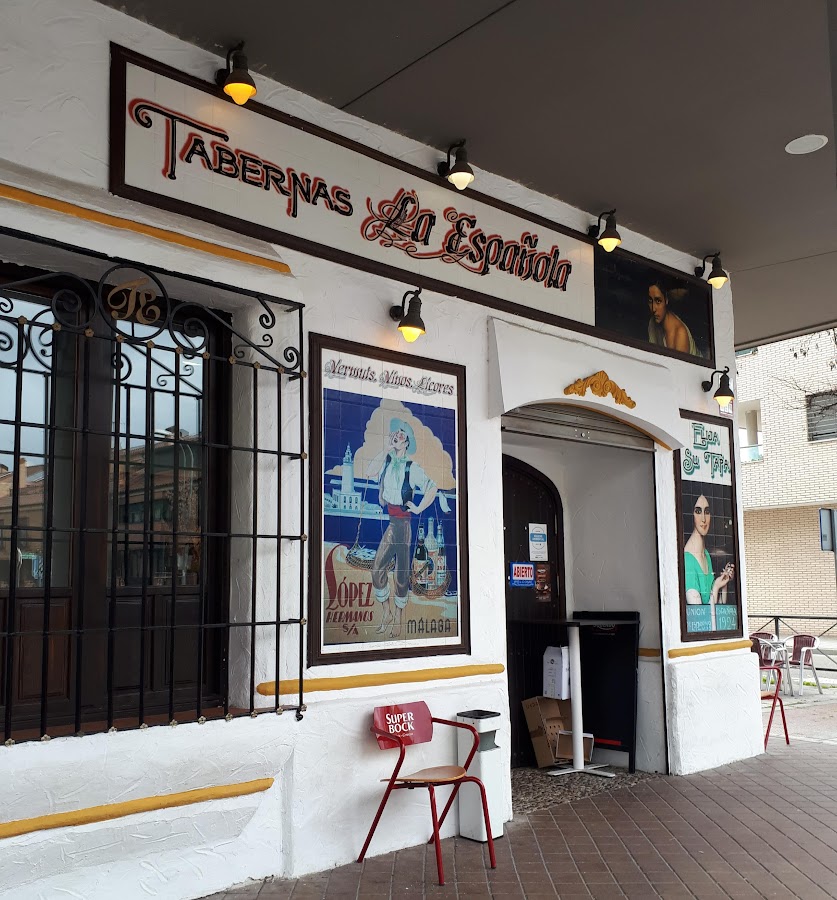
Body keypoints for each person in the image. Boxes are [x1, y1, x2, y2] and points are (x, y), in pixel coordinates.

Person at [366, 417, 438, 638]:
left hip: (404, 524)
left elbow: (432, 487)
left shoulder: (411, 467)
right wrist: (385, 449)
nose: (397, 436)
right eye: (395, 434)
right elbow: (370, 471)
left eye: (401, 435)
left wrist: (417, 509)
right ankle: (386, 613)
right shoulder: (387, 462)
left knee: (401, 574)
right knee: (377, 568)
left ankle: (397, 618)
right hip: (391, 523)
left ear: (407, 443)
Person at [684, 494, 734, 624]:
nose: (703, 519)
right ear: (691, 515)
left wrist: (723, 583)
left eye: (707, 511)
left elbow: (718, 607)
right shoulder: (687, 560)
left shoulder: (706, 554)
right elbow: (700, 620)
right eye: (698, 511)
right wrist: (716, 587)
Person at [647, 283, 698, 355]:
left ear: (666, 300)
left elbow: (681, 365)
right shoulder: (652, 323)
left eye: (658, 301)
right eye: (650, 301)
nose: (653, 308)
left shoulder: (680, 334)